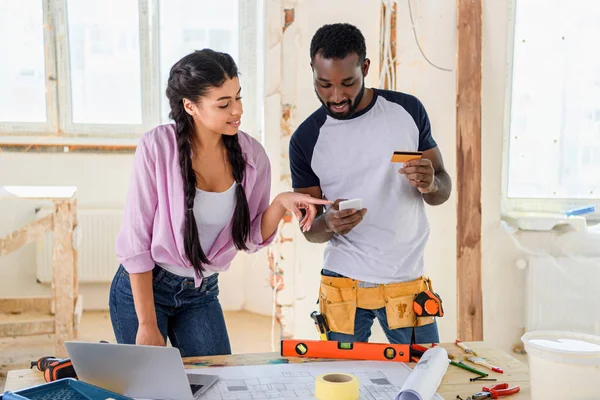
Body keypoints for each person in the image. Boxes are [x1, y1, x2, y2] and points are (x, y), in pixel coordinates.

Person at [110, 49, 328, 357]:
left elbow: (251, 238)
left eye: (238, 97)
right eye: (223, 104)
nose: (237, 110)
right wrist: (146, 324)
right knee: (148, 385)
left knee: (216, 383)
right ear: (190, 106)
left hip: (202, 292)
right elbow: (136, 242)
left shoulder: (252, 158)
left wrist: (279, 204)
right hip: (146, 289)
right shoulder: (157, 147)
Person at [289, 23, 452, 345]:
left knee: (426, 375)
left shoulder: (407, 110)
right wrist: (330, 223)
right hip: (342, 284)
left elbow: (442, 189)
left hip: (406, 280)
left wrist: (431, 184)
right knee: (344, 384)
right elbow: (310, 230)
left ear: (365, 68)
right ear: (312, 70)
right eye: (324, 84)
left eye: (348, 83)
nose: (336, 96)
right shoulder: (306, 139)